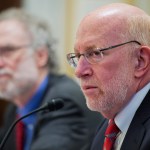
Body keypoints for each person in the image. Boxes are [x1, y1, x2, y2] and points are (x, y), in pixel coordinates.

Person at [0, 8, 103, 150]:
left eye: (8, 51)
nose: (0, 63)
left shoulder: (64, 103)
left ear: (41, 56)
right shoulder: (15, 109)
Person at [66, 2, 150, 150]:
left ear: (140, 61)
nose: (79, 71)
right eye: (78, 56)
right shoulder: (109, 126)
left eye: (95, 53)